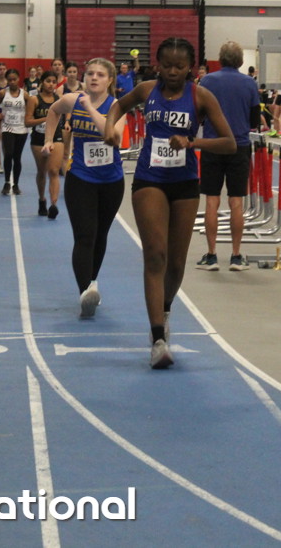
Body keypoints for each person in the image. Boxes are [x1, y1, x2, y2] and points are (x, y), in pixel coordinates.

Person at [103, 37, 236, 369]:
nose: (173, 72)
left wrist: (192, 143)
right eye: (167, 66)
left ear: (190, 68)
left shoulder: (201, 96)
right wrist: (109, 126)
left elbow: (229, 143)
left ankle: (164, 310)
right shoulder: (147, 90)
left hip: (185, 183)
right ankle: (158, 338)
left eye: (179, 67)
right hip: (150, 179)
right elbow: (118, 105)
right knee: (155, 255)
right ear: (157, 65)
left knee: (176, 264)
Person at [41, 58, 127, 318]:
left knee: (100, 235)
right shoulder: (72, 100)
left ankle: (92, 281)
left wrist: (89, 107)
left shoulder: (118, 106)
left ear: (109, 80)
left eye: (100, 74)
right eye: (90, 73)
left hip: (111, 182)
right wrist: (49, 139)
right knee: (85, 236)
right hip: (80, 178)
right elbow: (53, 111)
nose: (94, 78)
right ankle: (85, 292)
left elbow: (113, 137)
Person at [195, 41, 256, 272]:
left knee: (212, 200)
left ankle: (211, 256)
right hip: (238, 146)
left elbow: (199, 114)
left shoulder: (207, 81)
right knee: (236, 202)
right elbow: (254, 120)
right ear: (240, 60)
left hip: (213, 145)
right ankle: (236, 256)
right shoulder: (249, 83)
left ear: (220, 59)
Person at [26, 70, 64, 218]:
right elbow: (27, 122)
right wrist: (46, 119)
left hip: (56, 137)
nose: (51, 84)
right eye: (48, 81)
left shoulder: (59, 99)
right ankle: (42, 199)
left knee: (54, 171)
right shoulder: (34, 100)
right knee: (41, 171)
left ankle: (53, 204)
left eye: (54, 82)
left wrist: (67, 122)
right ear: (42, 82)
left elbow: (66, 114)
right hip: (39, 139)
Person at [0, 67, 28, 195]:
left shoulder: (24, 94)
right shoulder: (3, 93)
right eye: (10, 80)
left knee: (17, 157)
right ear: (7, 80)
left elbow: (31, 108)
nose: (12, 82)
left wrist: (29, 118)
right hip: (7, 127)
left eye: (14, 79)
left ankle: (16, 184)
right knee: (8, 154)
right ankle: (7, 182)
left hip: (21, 128)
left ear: (18, 79)